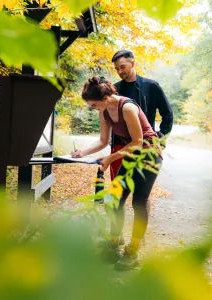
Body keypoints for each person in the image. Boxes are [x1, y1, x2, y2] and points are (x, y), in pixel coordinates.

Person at [70, 76, 163, 271]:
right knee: (115, 200)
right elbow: (103, 141)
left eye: (93, 105)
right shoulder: (104, 112)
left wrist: (110, 159)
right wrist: (81, 153)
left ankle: (132, 252)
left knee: (138, 201)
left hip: (149, 155)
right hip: (132, 155)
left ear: (105, 98)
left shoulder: (127, 107)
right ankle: (115, 241)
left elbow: (138, 142)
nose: (92, 108)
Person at [110, 50, 173, 180]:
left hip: (145, 146)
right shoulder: (114, 90)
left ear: (132, 63)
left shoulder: (151, 86)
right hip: (120, 147)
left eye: (122, 67)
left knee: (141, 194)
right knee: (118, 191)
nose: (120, 71)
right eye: (117, 69)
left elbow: (167, 114)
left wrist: (161, 137)